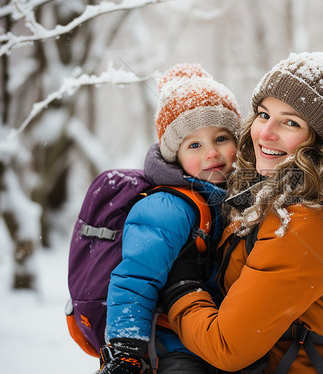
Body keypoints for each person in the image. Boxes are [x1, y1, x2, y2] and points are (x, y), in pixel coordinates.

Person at [161, 48, 323, 373]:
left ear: (321, 140)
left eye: (290, 122)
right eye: (263, 113)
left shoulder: (306, 219)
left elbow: (226, 347)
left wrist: (180, 286)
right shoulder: (272, 191)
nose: (265, 133)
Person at [98, 63, 242, 374]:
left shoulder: (233, 197)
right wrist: (126, 350)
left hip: (223, 340)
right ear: (174, 156)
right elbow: (136, 277)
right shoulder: (169, 206)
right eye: (194, 145)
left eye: (221, 138)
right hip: (176, 345)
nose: (212, 153)